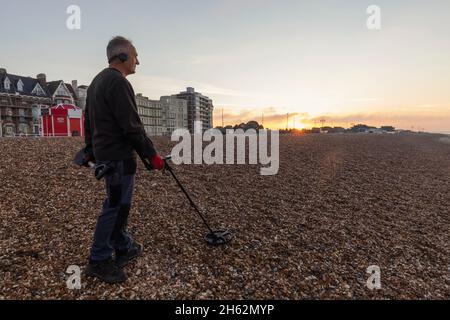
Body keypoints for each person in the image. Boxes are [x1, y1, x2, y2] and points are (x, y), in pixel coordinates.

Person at [83, 36, 165, 283]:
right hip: (118, 158)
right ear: (121, 57)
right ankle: (98, 259)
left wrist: (90, 150)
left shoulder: (96, 82)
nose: (138, 61)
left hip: (106, 156)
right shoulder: (118, 83)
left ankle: (121, 244)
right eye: (135, 55)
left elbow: (88, 122)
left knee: (119, 204)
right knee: (115, 205)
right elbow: (132, 127)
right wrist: (152, 156)